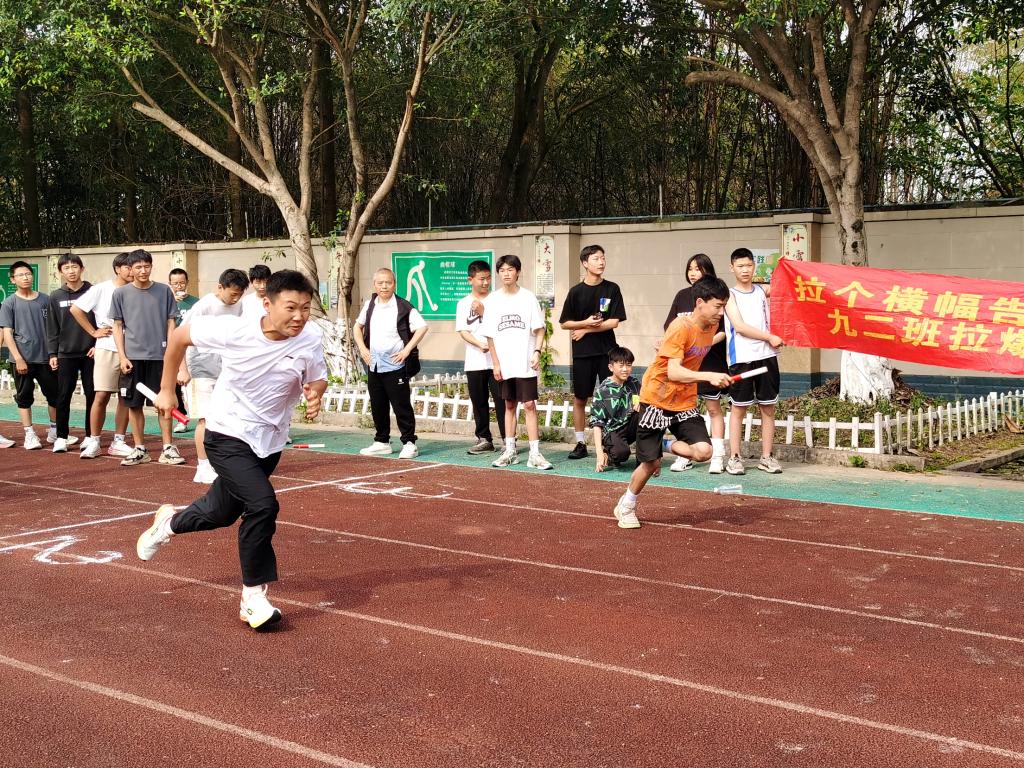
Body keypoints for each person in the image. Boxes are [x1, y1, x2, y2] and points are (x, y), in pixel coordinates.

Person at [136, 269, 328, 630]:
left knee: (219, 512)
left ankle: (167, 525)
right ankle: (253, 597)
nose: (299, 316)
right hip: (226, 433)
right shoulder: (235, 330)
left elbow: (317, 375)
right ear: (267, 304)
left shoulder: (310, 336)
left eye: (305, 308)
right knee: (263, 504)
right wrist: (165, 390)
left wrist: (316, 392)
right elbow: (178, 338)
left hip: (269, 442)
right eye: (291, 307)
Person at [612, 277, 733, 529]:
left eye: (724, 307)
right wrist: (709, 376)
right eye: (718, 306)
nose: (721, 312)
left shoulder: (711, 326)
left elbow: (707, 342)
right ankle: (626, 505)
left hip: (684, 402)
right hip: (656, 398)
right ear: (700, 303)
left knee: (703, 452)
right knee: (651, 464)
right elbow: (675, 372)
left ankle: (664, 444)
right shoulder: (680, 327)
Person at [110, 249, 184, 467]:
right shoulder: (120, 294)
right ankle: (140, 448)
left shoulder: (164, 291)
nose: (143, 271)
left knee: (165, 405)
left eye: (147, 266)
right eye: (138, 267)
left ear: (152, 267)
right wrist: (122, 356)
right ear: (130, 269)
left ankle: (168, 447)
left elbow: (172, 323)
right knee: (133, 405)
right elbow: (117, 326)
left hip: (160, 358)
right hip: (132, 359)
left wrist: (171, 355)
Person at [177, 268, 250, 484]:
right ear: (220, 287)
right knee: (205, 418)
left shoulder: (239, 306)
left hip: (227, 365)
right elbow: (179, 336)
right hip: (201, 364)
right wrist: (182, 369)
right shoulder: (204, 305)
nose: (235, 298)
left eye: (240, 294)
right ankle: (203, 466)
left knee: (228, 417)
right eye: (232, 294)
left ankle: (225, 463)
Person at [482, 254, 552, 470]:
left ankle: (535, 453)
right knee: (509, 404)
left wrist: (537, 352)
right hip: (504, 362)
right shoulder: (492, 300)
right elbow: (490, 336)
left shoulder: (528, 297)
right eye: (502, 270)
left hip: (525, 362)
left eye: (510, 270)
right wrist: (495, 363)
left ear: (518, 272)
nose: (506, 274)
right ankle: (510, 451)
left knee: (529, 405)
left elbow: (539, 329)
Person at [558, 244, 626, 460]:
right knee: (580, 398)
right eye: (596, 258)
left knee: (611, 397)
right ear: (585, 263)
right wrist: (583, 323)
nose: (601, 262)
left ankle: (611, 441)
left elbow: (614, 321)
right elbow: (564, 323)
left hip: (607, 353)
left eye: (603, 258)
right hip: (582, 354)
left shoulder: (612, 289)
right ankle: (580, 442)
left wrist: (586, 329)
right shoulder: (575, 292)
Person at [663, 253, 729, 473]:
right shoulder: (682, 295)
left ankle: (718, 455)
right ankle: (686, 454)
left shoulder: (716, 299)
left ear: (708, 271)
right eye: (690, 268)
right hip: (685, 364)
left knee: (713, 408)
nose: (693, 273)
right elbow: (669, 326)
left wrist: (704, 343)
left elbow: (723, 331)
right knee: (684, 410)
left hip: (710, 360)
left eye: (698, 269)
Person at [723, 247, 786, 475]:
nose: (745, 270)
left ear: (754, 266)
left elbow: (789, 286)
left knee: (768, 408)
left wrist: (789, 266)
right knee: (738, 408)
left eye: (749, 265)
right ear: (732, 268)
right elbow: (739, 327)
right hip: (742, 359)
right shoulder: (728, 295)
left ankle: (767, 456)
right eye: (740, 266)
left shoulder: (761, 291)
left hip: (767, 357)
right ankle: (735, 457)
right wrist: (770, 337)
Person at [354, 267, 427, 459]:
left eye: (388, 282)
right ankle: (381, 441)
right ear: (375, 284)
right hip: (374, 363)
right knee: (378, 404)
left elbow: (422, 327)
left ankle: (410, 443)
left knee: (401, 405)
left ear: (394, 284)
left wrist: (406, 350)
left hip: (395, 365)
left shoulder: (403, 306)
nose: (384, 286)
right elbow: (357, 327)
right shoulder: (370, 304)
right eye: (380, 283)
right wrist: (363, 349)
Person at [71, 252, 134, 459]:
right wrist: (93, 332)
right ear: (118, 269)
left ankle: (119, 440)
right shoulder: (101, 289)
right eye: (129, 267)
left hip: (133, 349)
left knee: (126, 397)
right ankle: (94, 440)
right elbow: (76, 309)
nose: (133, 271)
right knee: (101, 395)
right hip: (107, 347)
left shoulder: (139, 290)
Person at [0, 260, 59, 450]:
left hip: (46, 357)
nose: (26, 277)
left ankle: (55, 431)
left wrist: (53, 353)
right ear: (13, 279)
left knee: (54, 395)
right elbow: (7, 333)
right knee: (24, 397)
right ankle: (30, 434)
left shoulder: (46, 299)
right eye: (21, 275)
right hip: (22, 359)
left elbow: (54, 328)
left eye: (28, 274)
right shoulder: (9, 303)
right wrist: (18, 358)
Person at [455, 260, 506, 455]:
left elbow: (502, 327)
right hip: (475, 361)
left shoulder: (497, 300)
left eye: (488, 278)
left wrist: (491, 346)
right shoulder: (463, 303)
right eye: (481, 279)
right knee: (479, 402)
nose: (485, 283)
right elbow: (463, 331)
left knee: (503, 400)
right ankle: (484, 438)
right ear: (471, 280)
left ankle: (508, 439)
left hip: (497, 361)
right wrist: (480, 344)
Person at [46, 253, 94, 453]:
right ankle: (61, 437)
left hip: (91, 353)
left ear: (82, 269)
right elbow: (52, 327)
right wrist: (52, 353)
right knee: (63, 395)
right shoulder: (56, 296)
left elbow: (102, 321)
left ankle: (91, 436)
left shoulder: (93, 291)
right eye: (66, 268)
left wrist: (97, 343)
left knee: (93, 395)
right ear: (60, 272)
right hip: (65, 354)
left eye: (75, 267)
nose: (71, 271)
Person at [589, 346, 641, 472]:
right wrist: (599, 453)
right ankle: (609, 454)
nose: (625, 369)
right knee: (621, 454)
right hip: (612, 430)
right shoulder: (603, 390)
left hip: (629, 425)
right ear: (611, 367)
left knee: (646, 412)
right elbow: (597, 423)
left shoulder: (634, 383)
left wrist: (641, 403)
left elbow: (640, 400)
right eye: (621, 365)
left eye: (628, 365)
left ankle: (643, 459)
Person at [168, 267, 199, 433]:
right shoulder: (166, 301)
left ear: (187, 283)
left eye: (182, 283)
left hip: (190, 347)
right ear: (170, 284)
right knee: (173, 385)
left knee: (189, 384)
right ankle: (181, 417)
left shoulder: (196, 302)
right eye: (175, 283)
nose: (179, 286)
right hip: (170, 347)